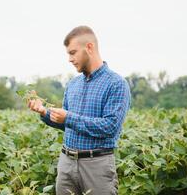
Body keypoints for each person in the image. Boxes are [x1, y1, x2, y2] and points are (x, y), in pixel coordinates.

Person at [27, 25, 131, 195]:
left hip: (96, 165)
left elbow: (110, 126)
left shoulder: (116, 84)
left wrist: (68, 118)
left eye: (73, 52)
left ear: (89, 47)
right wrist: (43, 112)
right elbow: (66, 124)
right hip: (66, 163)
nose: (69, 59)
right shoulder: (73, 84)